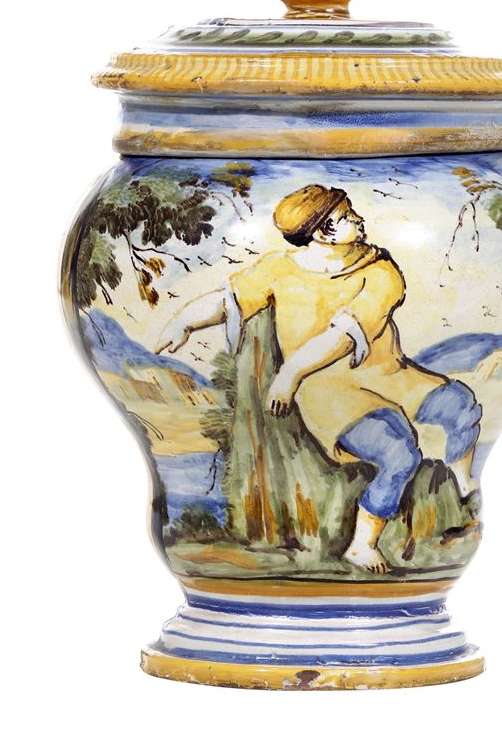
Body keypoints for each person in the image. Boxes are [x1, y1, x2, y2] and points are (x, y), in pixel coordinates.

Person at [156, 184, 481, 573]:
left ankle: (464, 482)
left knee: (460, 406)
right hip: (329, 393)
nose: (358, 220)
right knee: (399, 453)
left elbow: (345, 335)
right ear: (323, 232)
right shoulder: (279, 269)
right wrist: (184, 320)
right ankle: (362, 545)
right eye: (346, 216)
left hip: (388, 374)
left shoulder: (379, 270)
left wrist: (288, 374)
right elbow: (232, 299)